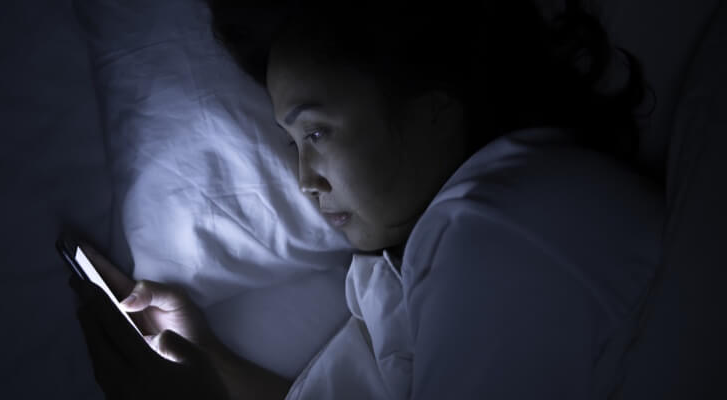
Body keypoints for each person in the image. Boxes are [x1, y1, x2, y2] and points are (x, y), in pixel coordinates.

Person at [69, 0, 664, 398]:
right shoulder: (432, 250)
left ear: (433, 105)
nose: (305, 179)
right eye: (293, 141)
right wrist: (209, 359)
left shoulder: (503, 232)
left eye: (317, 133)